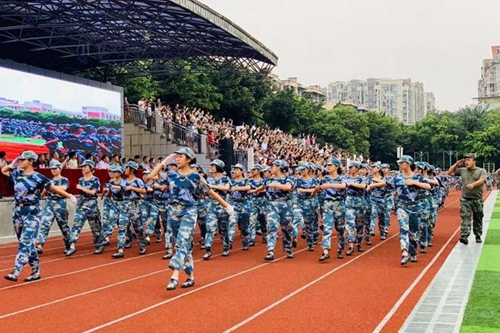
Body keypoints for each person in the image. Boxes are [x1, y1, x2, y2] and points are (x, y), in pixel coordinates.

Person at [147, 148, 233, 291]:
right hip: (173, 212)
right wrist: (165, 162)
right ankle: (190, 277)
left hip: (189, 211)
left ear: (189, 159)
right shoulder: (171, 174)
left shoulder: (196, 177)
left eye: (181, 156)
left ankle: (174, 275)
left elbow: (210, 192)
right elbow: (150, 177)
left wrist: (227, 206)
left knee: (181, 243)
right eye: (177, 157)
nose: (177, 159)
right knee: (185, 246)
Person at [1, 151, 76, 282]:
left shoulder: (38, 177)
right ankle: (36, 270)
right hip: (18, 211)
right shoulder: (17, 174)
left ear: (31, 161)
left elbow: (53, 188)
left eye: (23, 159)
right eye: (20, 159)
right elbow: (3, 170)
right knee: (27, 243)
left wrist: (69, 196)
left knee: (25, 241)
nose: (20, 161)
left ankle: (16, 270)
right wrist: (12, 165)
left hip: (32, 212)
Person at [447, 153, 487, 244]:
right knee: (465, 217)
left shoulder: (481, 171)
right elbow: (449, 172)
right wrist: (456, 164)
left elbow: (482, 180)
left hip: (477, 199)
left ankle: (478, 235)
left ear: (474, 161)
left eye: (469, 160)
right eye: (465, 160)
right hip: (465, 199)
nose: (466, 162)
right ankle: (464, 236)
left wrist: (473, 184)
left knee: (478, 218)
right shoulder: (462, 170)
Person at [36, 161, 71, 254]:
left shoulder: (64, 179)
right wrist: (41, 195)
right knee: (45, 223)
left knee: (63, 226)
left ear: (60, 169)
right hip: (50, 203)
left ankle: (69, 245)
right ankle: (40, 245)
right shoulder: (49, 180)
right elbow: (44, 191)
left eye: (55, 168)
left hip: (60, 203)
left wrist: (53, 188)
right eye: (52, 169)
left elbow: (64, 188)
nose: (53, 170)